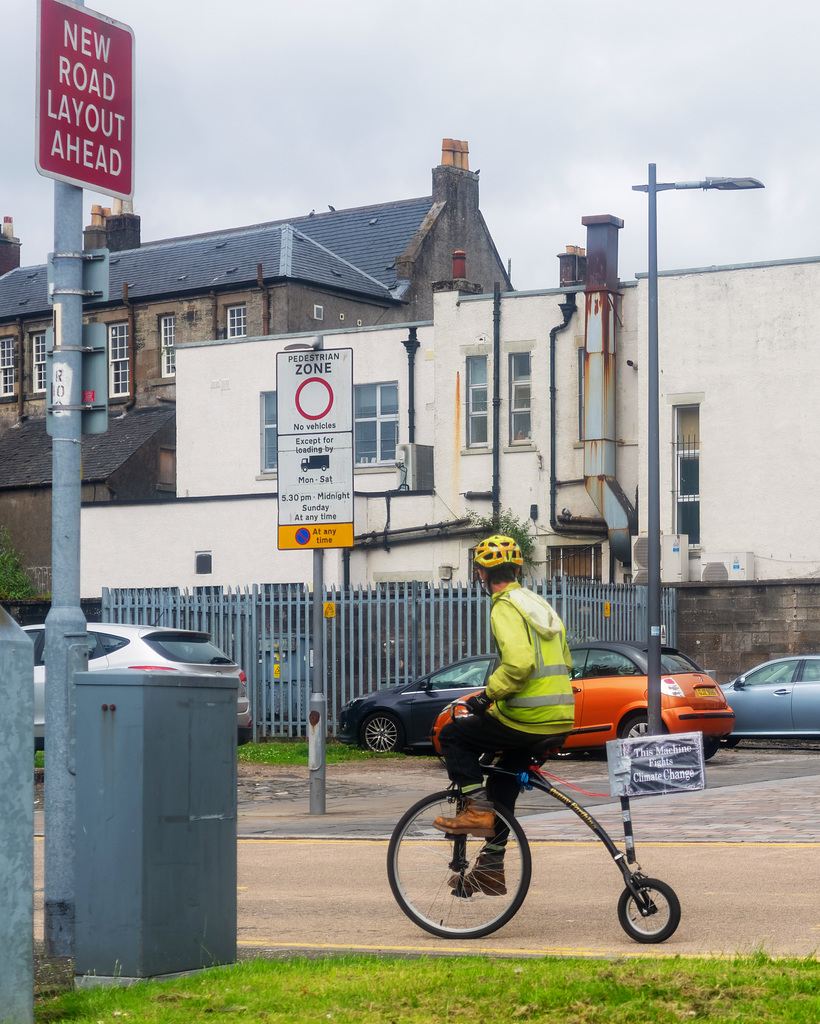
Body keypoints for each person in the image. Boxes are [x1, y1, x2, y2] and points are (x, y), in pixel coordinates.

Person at [433, 534, 575, 894]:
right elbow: (567, 663)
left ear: (482, 574)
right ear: (516, 569)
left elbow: (519, 664)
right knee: (504, 780)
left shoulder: (504, 606)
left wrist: (486, 697)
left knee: (452, 733)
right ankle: (491, 866)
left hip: (526, 718)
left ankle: (476, 809)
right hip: (560, 717)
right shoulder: (536, 603)